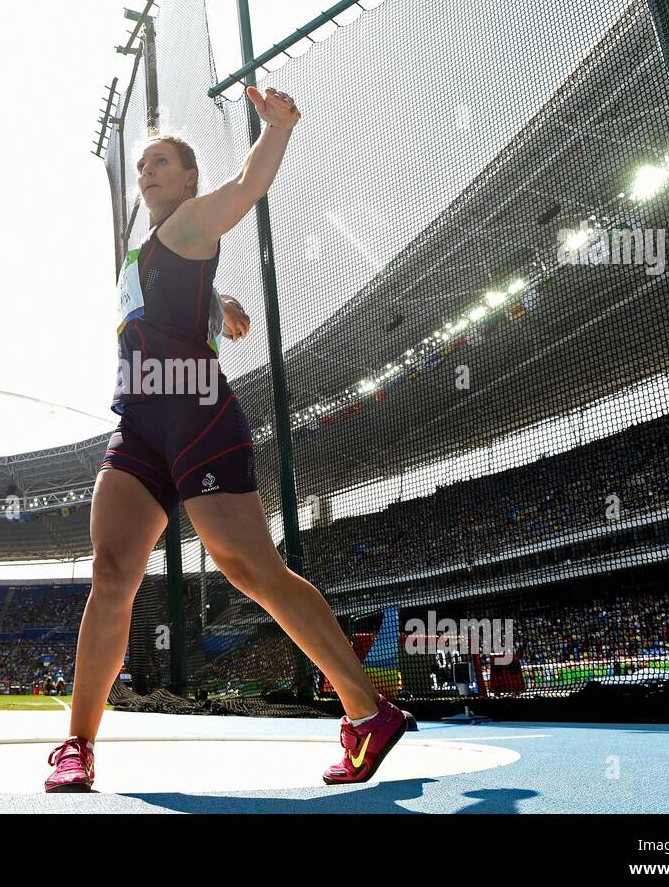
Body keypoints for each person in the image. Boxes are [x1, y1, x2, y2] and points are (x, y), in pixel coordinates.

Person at [45, 86, 408, 793]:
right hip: (142, 425)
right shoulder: (148, 249)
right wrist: (221, 302)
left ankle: (368, 713)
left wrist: (275, 129)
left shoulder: (191, 220)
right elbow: (176, 292)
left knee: (251, 571)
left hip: (199, 416)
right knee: (112, 573)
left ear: (186, 179)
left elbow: (246, 187)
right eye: (143, 162)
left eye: (162, 162)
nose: (148, 170)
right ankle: (76, 745)